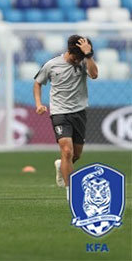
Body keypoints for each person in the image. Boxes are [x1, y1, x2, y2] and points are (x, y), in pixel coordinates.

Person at [33, 35, 97, 200]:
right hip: (59, 112)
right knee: (67, 151)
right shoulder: (52, 64)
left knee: (76, 155)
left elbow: (95, 75)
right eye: (77, 57)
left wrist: (88, 55)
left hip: (79, 112)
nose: (78, 61)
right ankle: (71, 190)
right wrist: (39, 103)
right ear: (69, 51)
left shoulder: (84, 61)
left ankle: (61, 165)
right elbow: (38, 82)